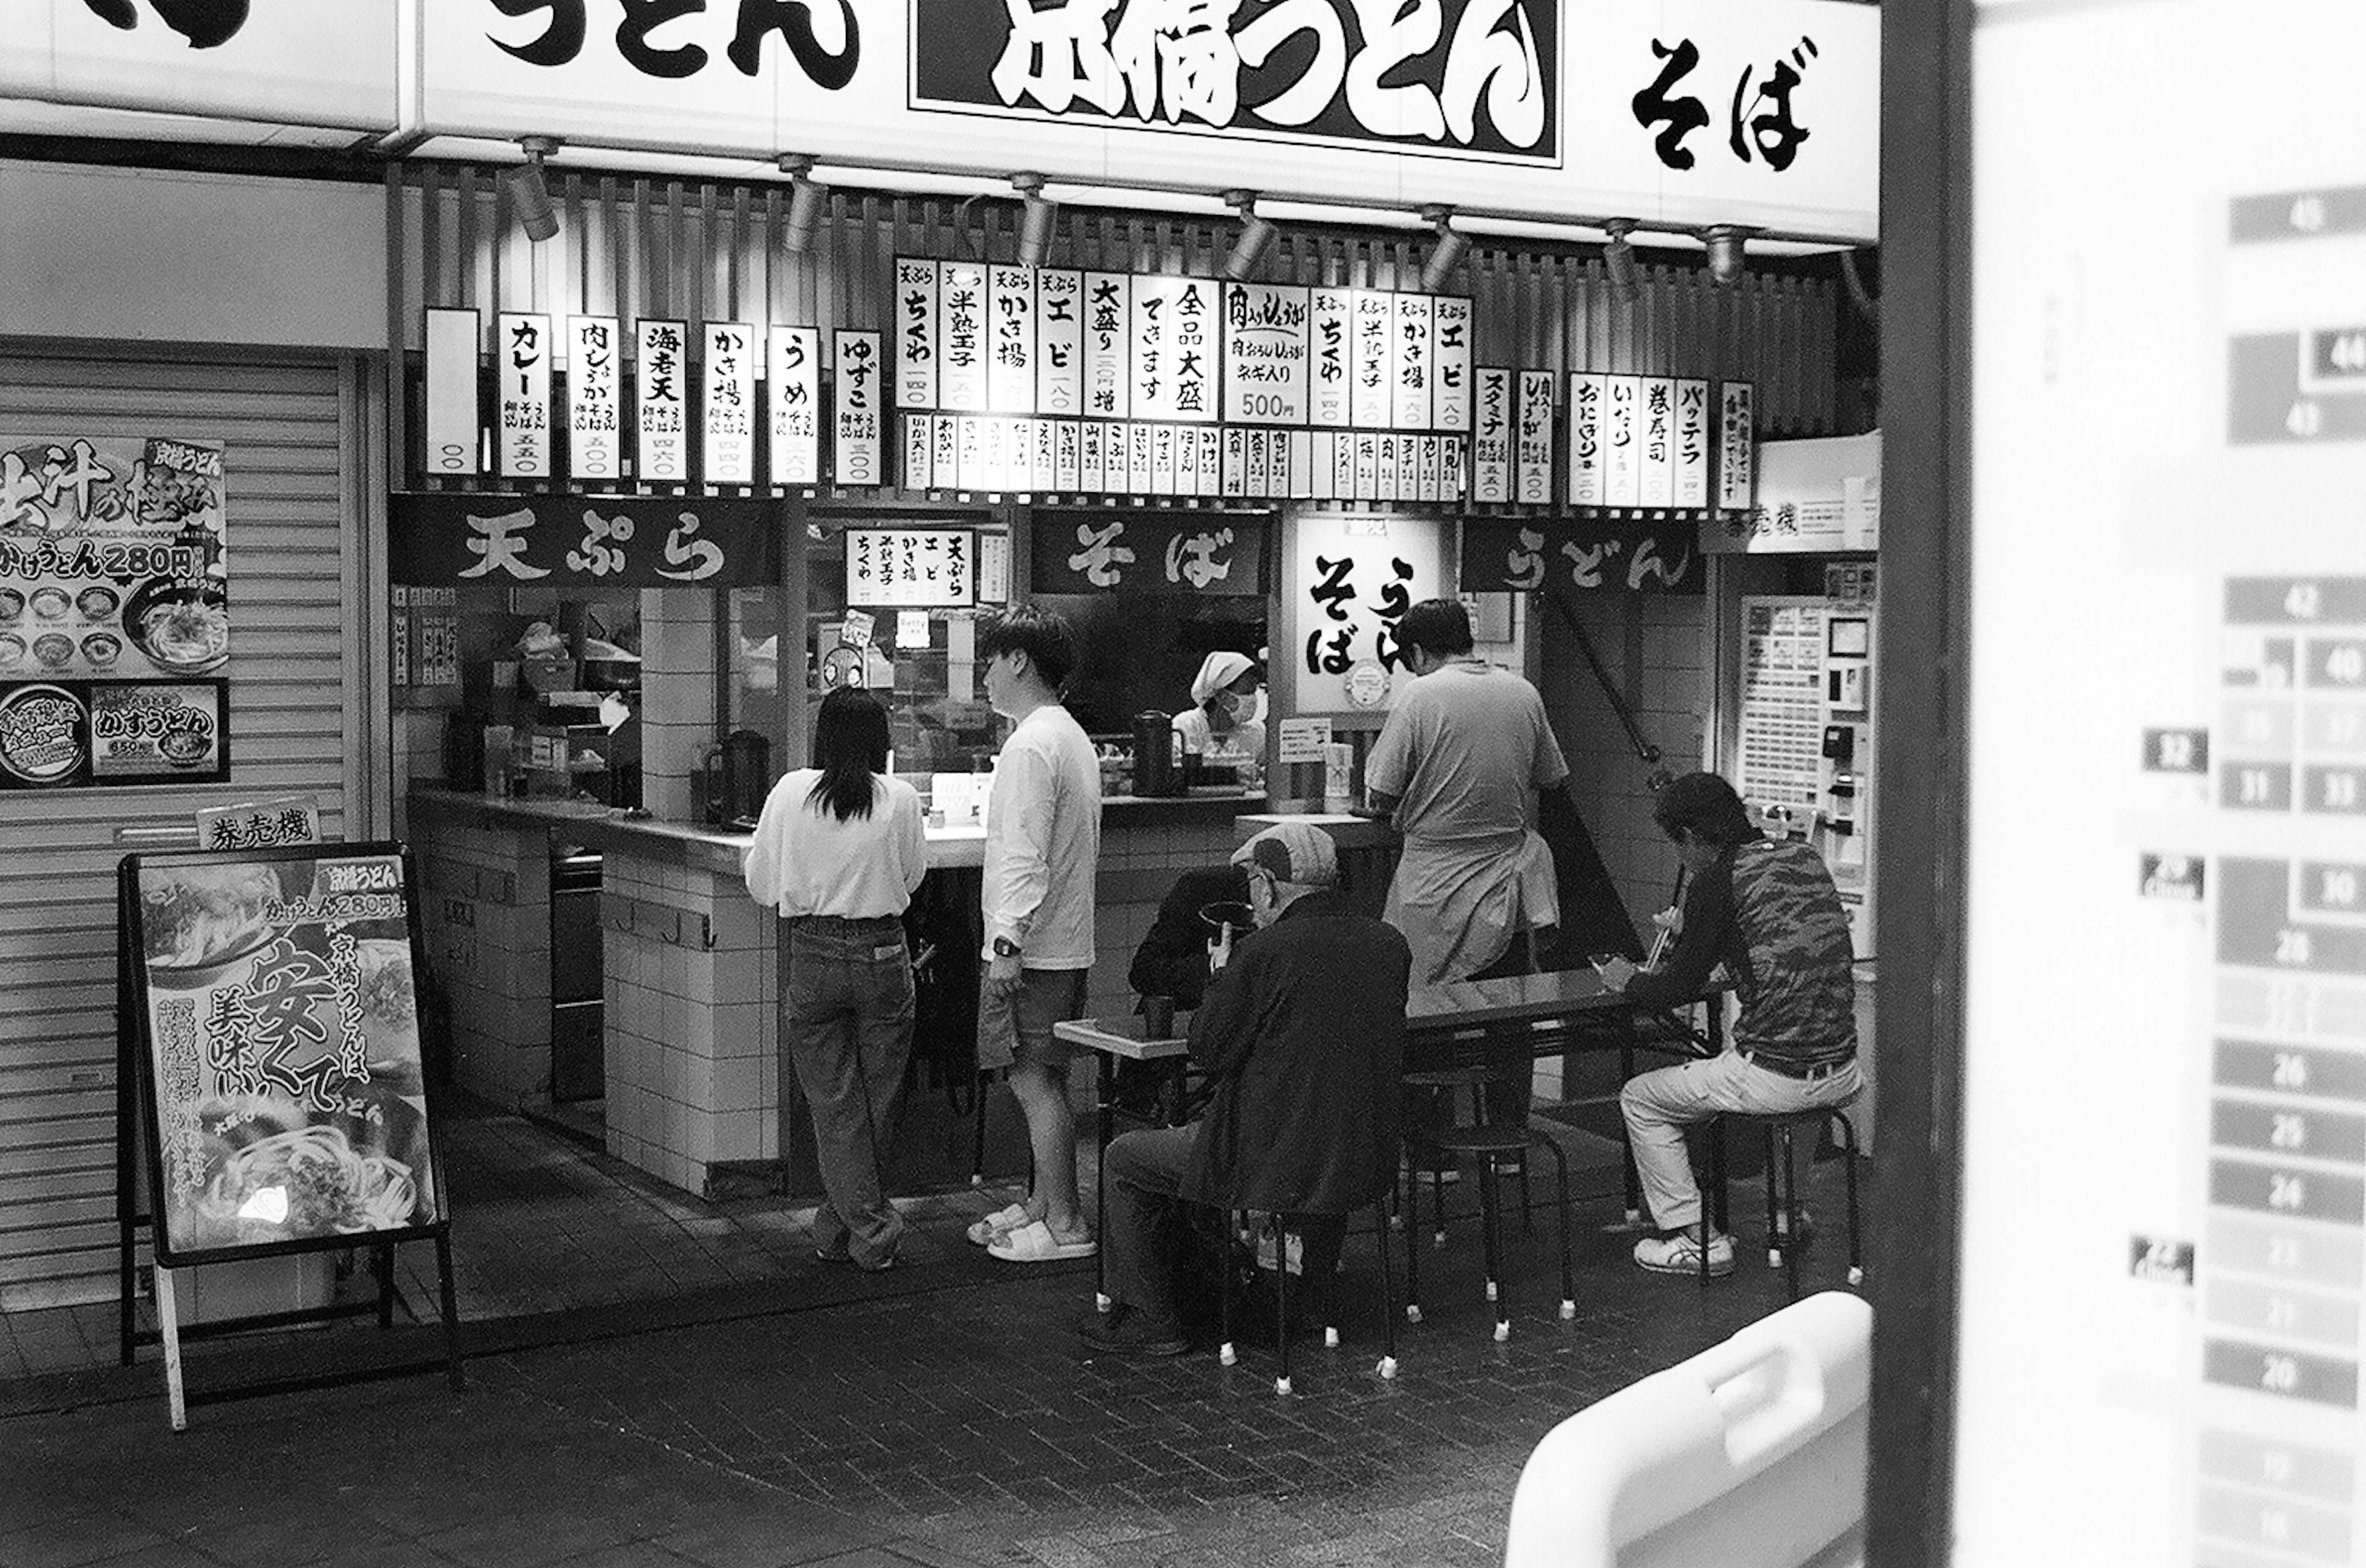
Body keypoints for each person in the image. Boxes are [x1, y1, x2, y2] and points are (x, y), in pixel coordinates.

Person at [1084, 823, 1412, 1355]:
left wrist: (1220, 973)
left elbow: (1209, 1050)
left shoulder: (1264, 952)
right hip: (1361, 1152)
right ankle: (1307, 1301)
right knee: (1319, 1143)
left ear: (1265, 884)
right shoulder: (1389, 944)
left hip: (1263, 1156)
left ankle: (1153, 1317)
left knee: (1125, 1159)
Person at [1598, 772, 1861, 1277]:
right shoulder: (1803, 857)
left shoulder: (1716, 881)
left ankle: (1695, 1238)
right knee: (1801, 1081)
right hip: (1843, 1068)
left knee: (1641, 1097)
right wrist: (1697, 930)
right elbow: (1773, 942)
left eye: (1679, 848)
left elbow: (1673, 989)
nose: (1683, 860)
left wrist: (1625, 979)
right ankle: (1787, 1213)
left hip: (1773, 1076)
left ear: (1693, 838)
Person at [742, 688, 929, 1273]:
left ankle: (835, 1224)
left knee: (835, 1105)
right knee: (877, 1102)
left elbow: (761, 883)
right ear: (881, 741)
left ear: (821, 737)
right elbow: (913, 876)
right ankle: (873, 1233)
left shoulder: (791, 791)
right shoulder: (899, 798)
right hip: (881, 955)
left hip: (813, 953)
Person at [966, 604, 1103, 1264]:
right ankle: (1046, 1206)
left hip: (1035, 946)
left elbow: (1023, 853)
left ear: (1019, 659)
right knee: (1042, 1076)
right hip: (1066, 939)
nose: (985, 675)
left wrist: (1005, 945)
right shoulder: (1067, 734)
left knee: (1034, 1082)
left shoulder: (1029, 744)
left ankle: (1070, 1222)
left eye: (990, 660)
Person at [1364, 598, 1579, 991]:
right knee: (1503, 999)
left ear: (1416, 652)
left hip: (1433, 882)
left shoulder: (1421, 695)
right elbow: (1551, 778)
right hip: (1504, 883)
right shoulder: (1523, 692)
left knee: (1425, 1003)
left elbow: (1382, 790)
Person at [1171, 651, 1266, 764]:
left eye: (1254, 692)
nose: (1252, 699)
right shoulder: (1185, 727)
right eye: (1247, 692)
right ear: (1222, 696)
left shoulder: (1256, 733)